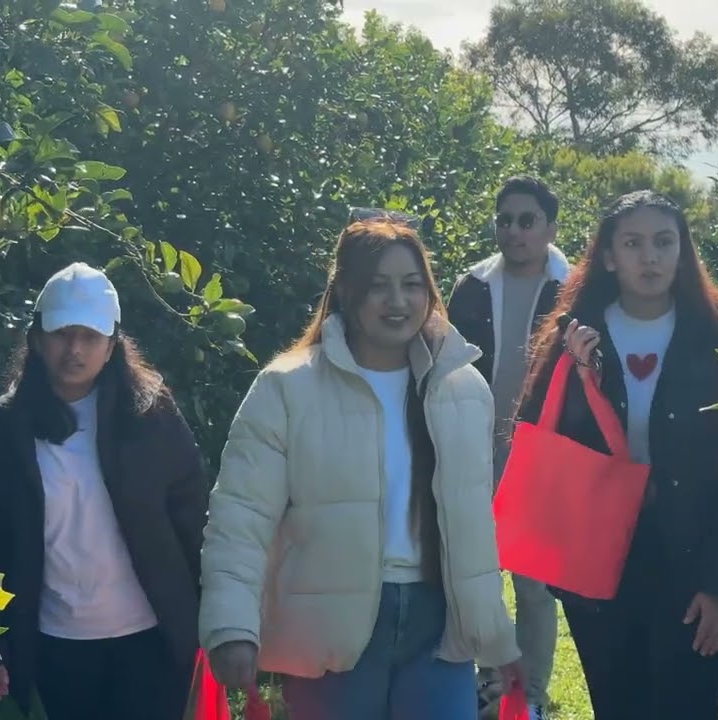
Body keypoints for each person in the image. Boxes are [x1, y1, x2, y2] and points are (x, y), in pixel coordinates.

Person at [199, 216, 523, 720]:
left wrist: (495, 635)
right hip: (332, 634)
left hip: (438, 632)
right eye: (379, 286)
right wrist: (231, 626)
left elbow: (474, 526)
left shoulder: (464, 391)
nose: (398, 301)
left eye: (412, 285)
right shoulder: (286, 388)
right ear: (346, 292)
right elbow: (240, 517)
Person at [514, 191, 718, 719]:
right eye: (632, 244)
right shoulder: (575, 332)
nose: (649, 257)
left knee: (688, 707)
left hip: (695, 560)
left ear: (684, 251)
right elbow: (542, 443)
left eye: (663, 242)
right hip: (601, 561)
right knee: (620, 707)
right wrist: (580, 381)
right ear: (608, 255)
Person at [0, 262, 209, 720]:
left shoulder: (151, 417)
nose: (75, 349)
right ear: (36, 339)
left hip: (150, 638)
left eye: (90, 336)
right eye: (62, 334)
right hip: (56, 644)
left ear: (112, 346)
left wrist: (215, 615)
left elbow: (192, 517)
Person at [447, 176, 568, 720]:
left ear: (549, 226)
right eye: (505, 220)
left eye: (526, 220)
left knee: (535, 585)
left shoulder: (574, 289)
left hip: (545, 455)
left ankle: (533, 696)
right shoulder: (470, 286)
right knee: (479, 573)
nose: (514, 231)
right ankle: (489, 686)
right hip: (477, 449)